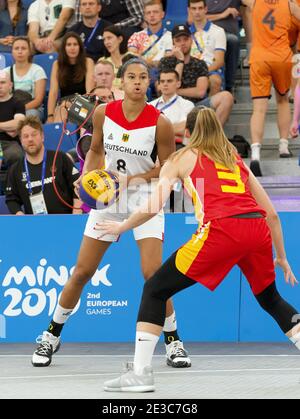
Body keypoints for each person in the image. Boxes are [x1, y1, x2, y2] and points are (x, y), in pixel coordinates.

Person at [100, 106, 299, 393]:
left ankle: (141, 374)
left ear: (188, 132)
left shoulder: (182, 157)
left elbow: (154, 205)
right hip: (256, 229)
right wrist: (281, 257)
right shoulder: (234, 159)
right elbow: (272, 215)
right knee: (271, 299)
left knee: (155, 288)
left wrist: (122, 226)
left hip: (221, 229)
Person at [31, 58, 191, 369]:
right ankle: (51, 335)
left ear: (149, 82)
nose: (137, 82)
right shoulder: (104, 113)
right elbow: (94, 150)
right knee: (82, 272)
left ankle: (173, 342)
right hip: (108, 201)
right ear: (120, 81)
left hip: (145, 200)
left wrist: (131, 180)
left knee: (153, 275)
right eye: (131, 76)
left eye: (143, 77)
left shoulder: (161, 122)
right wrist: (85, 177)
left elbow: (170, 170)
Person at [249, 0, 300, 177]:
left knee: (259, 109)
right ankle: (283, 146)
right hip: (282, 58)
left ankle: (255, 154)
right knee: (283, 101)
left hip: (259, 59)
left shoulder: (254, 2)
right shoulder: (290, 4)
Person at [159, 24, 233, 126]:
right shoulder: (165, 62)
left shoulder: (200, 63)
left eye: (185, 39)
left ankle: (214, 136)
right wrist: (180, 61)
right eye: (178, 40)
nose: (182, 43)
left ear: (191, 40)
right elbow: (160, 89)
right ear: (173, 43)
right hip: (172, 106)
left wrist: (175, 91)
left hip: (196, 107)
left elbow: (200, 92)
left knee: (227, 97)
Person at [5, 115, 81, 214]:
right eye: (26, 136)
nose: (30, 139)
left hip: (64, 221)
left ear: (42, 137)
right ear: (21, 141)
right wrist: (20, 216)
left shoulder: (60, 158)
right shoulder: (15, 169)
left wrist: (75, 216)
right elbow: (11, 199)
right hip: (34, 225)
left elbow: (77, 187)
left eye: (34, 134)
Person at [47, 31, 94, 123]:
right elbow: (53, 92)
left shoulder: (88, 62)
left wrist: (75, 104)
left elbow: (90, 92)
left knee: (65, 108)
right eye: (69, 45)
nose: (72, 48)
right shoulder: (57, 64)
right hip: (63, 103)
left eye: (75, 44)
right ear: (64, 48)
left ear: (80, 47)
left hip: (84, 102)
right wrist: (50, 115)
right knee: (62, 110)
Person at [188, 0, 227, 96]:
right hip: (189, 70)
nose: (197, 12)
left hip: (210, 70)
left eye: (200, 8)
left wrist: (201, 73)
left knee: (215, 80)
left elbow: (219, 61)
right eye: (194, 8)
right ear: (189, 10)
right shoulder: (185, 33)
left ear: (206, 9)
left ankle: (210, 110)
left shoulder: (218, 31)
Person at [4, 36, 47, 120]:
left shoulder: (37, 70)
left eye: (23, 48)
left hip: (32, 109)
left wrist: (17, 110)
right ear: (12, 52)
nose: (20, 51)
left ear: (29, 52)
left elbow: (38, 101)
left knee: (30, 115)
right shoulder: (5, 72)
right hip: (10, 108)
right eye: (16, 48)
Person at [150, 69, 194, 147]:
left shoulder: (187, 105)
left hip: (177, 147)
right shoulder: (150, 105)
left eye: (169, 81)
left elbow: (183, 129)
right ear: (159, 85)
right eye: (162, 81)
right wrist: (174, 130)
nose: (165, 84)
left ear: (178, 84)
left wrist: (154, 130)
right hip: (152, 146)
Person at [0, 70, 25, 167]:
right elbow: (12, 128)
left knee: (17, 155)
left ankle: (14, 181)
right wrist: (7, 127)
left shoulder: (17, 103)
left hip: (10, 144)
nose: (0, 86)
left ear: (10, 85)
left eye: (2, 82)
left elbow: (18, 124)